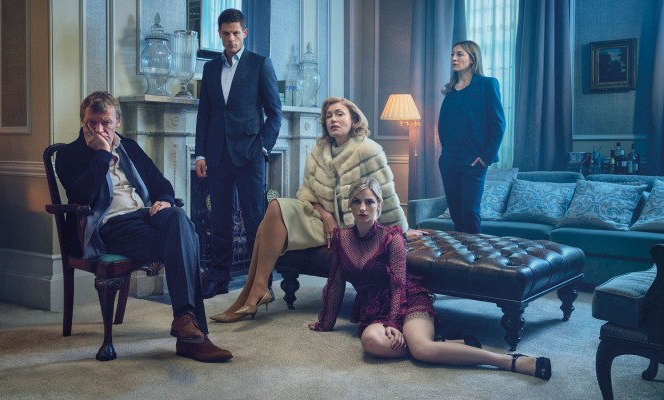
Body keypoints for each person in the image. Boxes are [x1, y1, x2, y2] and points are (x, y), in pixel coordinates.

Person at [308, 177, 552, 381]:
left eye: (369, 202)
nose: (363, 207)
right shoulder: (341, 238)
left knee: (422, 350)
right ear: (350, 206)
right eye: (357, 201)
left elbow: (398, 284)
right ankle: (446, 343)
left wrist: (393, 322)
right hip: (374, 308)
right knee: (371, 342)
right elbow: (336, 282)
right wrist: (326, 322)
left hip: (407, 299)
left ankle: (508, 361)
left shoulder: (391, 237)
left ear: (379, 207)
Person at [55, 91, 232, 362]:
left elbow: (161, 183)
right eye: (92, 123)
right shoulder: (69, 155)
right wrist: (102, 155)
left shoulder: (129, 147)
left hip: (144, 216)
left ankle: (186, 322)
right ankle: (193, 335)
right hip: (109, 227)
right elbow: (81, 195)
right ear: (83, 122)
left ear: (118, 122)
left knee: (177, 216)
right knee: (187, 237)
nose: (99, 130)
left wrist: (164, 200)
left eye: (106, 123)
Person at [209, 96, 410, 323]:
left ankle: (250, 294)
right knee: (276, 206)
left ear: (354, 119)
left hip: (353, 227)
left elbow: (385, 196)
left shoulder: (368, 150)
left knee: (264, 229)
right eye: (328, 116)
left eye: (340, 114)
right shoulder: (318, 150)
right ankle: (258, 289)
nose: (333, 119)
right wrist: (325, 216)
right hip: (320, 221)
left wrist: (401, 231)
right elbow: (306, 192)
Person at [195, 8, 282, 299]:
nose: (231, 38)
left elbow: (275, 113)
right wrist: (200, 154)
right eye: (226, 33)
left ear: (244, 33)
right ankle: (219, 278)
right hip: (217, 155)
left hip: (249, 154)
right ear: (219, 34)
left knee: (255, 219)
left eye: (236, 33)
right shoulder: (210, 69)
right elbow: (205, 114)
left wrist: (262, 148)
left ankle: (262, 282)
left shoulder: (260, 64)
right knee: (218, 219)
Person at [438, 40, 506, 234]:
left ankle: (476, 252)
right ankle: (461, 252)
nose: (454, 58)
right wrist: (445, 155)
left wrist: (485, 157)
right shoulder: (451, 90)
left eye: (459, 54)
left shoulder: (487, 84)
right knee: (456, 214)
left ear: (472, 59)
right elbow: (444, 126)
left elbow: (498, 124)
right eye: (452, 54)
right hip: (449, 160)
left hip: (474, 161)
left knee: (470, 212)